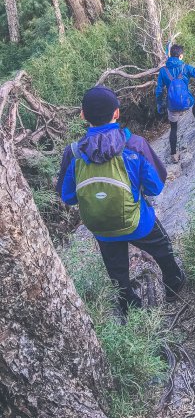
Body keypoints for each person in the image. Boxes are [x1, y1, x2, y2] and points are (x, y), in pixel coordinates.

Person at [56, 85, 185, 315]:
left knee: (117, 272)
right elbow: (155, 187)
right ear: (117, 113)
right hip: (138, 223)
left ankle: (128, 304)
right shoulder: (134, 145)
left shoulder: (73, 154)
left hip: (102, 228)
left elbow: (68, 196)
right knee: (163, 249)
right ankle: (174, 283)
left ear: (83, 115)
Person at [155, 44, 195, 163]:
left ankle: (174, 155)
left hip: (172, 106)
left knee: (173, 128)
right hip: (186, 101)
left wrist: (160, 105)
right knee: (194, 101)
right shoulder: (185, 67)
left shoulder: (163, 71)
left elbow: (159, 90)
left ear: (170, 55)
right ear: (180, 56)